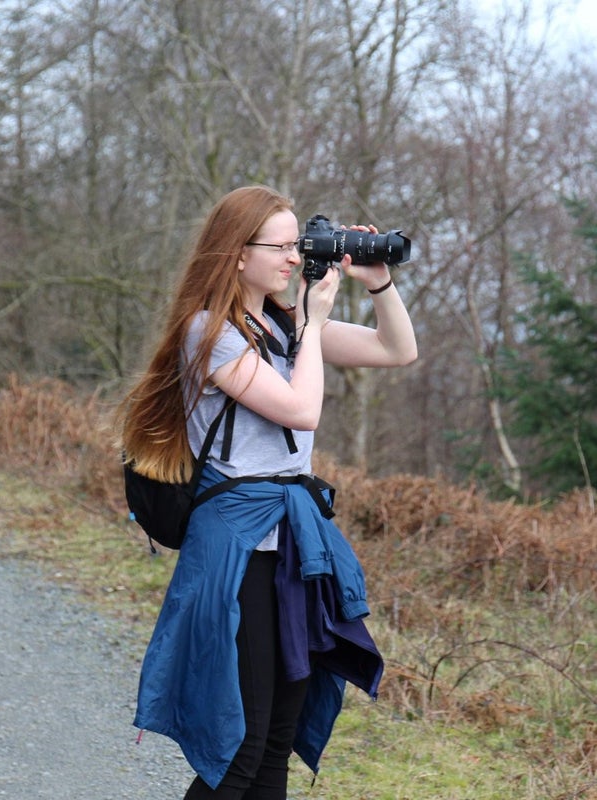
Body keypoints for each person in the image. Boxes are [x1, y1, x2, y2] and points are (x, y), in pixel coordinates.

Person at [117, 185, 417, 800]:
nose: (294, 257)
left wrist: (379, 283)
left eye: (296, 244)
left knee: (278, 739)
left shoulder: (282, 323)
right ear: (237, 253)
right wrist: (313, 324)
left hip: (294, 545)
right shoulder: (209, 333)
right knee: (241, 747)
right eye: (279, 247)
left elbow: (398, 350)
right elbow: (301, 410)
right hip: (238, 545)